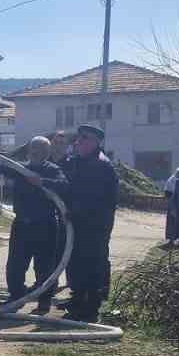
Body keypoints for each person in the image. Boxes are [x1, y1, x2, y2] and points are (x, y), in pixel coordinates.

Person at [60, 124, 119, 322]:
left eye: (83, 138)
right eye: (78, 138)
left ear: (95, 142)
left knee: (92, 263)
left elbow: (98, 199)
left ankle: (90, 308)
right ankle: (77, 298)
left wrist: (77, 213)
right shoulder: (79, 162)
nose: (78, 142)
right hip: (78, 223)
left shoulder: (101, 165)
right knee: (75, 261)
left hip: (94, 225)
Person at [4, 136, 67, 312]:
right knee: (15, 264)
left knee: (44, 266)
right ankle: (16, 297)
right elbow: (1, 165)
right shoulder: (21, 168)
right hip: (22, 224)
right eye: (33, 148)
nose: (36, 152)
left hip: (45, 225)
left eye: (40, 149)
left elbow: (63, 185)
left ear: (47, 153)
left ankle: (44, 301)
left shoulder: (52, 169)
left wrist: (42, 181)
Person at [164, 167, 179, 246]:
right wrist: (171, 205)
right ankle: (171, 239)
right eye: (178, 172)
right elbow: (167, 193)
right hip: (172, 204)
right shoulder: (171, 180)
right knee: (171, 222)